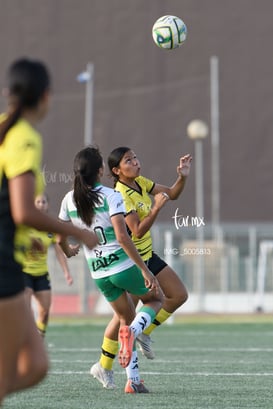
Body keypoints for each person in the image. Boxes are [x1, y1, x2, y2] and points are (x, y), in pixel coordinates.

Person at [0, 58, 98, 405]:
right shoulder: (23, 137)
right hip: (4, 267)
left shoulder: (5, 129)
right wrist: (77, 232)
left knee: (37, 364)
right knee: (11, 371)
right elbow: (23, 210)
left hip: (12, 259)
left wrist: (30, 240)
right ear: (45, 96)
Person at [58, 146, 163, 393]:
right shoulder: (111, 195)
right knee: (156, 298)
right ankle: (135, 333)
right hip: (121, 265)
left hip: (99, 272)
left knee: (125, 318)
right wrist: (145, 271)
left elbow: (59, 235)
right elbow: (123, 237)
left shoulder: (68, 198)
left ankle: (133, 381)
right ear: (101, 170)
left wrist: (67, 249)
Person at [105, 147, 192, 360]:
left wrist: (182, 177)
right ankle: (103, 364)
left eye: (135, 157)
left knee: (178, 295)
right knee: (124, 317)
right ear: (117, 170)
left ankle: (144, 333)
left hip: (148, 256)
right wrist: (155, 209)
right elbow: (136, 230)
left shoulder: (140, 182)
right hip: (133, 262)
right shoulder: (122, 195)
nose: (135, 162)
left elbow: (172, 194)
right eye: (128, 160)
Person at [23, 193, 76, 338]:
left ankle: (39, 339)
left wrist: (67, 272)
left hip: (41, 274)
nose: (41, 204)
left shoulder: (50, 227)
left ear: (47, 205)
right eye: (38, 202)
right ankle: (28, 340)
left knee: (44, 313)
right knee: (25, 310)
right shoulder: (24, 225)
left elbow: (59, 251)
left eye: (43, 202)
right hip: (23, 273)